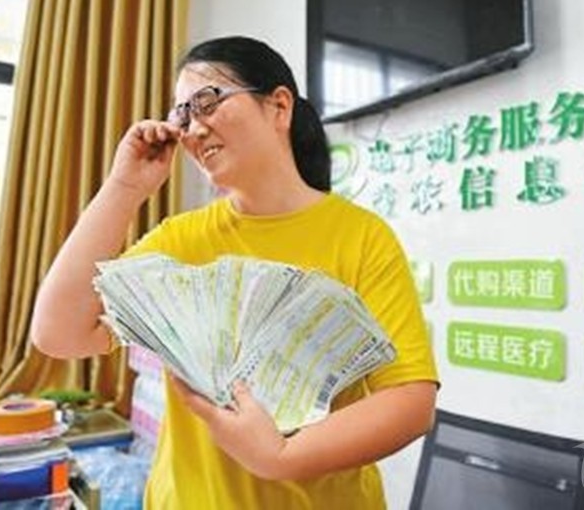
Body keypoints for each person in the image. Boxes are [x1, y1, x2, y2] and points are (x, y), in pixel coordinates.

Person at [31, 36, 439, 509]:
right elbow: (59, 333)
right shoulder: (180, 240)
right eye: (183, 114)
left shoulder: (361, 236)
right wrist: (124, 187)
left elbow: (409, 401)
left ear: (279, 106)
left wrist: (280, 457)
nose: (193, 128)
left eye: (208, 102)